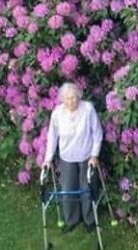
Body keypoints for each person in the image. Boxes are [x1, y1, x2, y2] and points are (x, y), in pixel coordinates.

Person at [43, 82, 103, 233]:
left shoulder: (88, 109)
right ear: (62, 99)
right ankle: (72, 220)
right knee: (68, 189)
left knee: (87, 189)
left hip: (86, 156)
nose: (72, 101)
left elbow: (97, 133)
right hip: (67, 156)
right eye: (68, 98)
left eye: (75, 98)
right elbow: (52, 137)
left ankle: (89, 220)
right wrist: (48, 159)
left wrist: (94, 155)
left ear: (79, 97)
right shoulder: (57, 113)